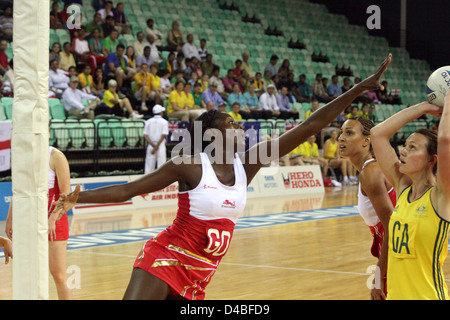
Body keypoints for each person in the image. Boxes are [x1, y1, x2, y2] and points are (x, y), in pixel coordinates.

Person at [53, 54, 392, 300]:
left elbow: (309, 127)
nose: (239, 128)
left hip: (201, 273)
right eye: (231, 124)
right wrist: (74, 198)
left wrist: (359, 89)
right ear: (211, 134)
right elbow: (128, 189)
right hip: (166, 257)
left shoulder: (249, 164)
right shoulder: (188, 165)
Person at [370, 91, 450, 300]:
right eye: (404, 145)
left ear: (431, 160)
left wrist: (448, 100)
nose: (402, 151)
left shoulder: (441, 196)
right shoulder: (403, 188)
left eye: (412, 148)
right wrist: (422, 107)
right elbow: (378, 134)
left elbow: (445, 139)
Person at [338, 116, 397, 298]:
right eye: (341, 132)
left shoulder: (370, 173)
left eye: (349, 133)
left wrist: (378, 276)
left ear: (366, 140)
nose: (341, 137)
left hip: (397, 248)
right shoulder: (370, 169)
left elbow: (392, 228)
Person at [6, 146, 73, 299]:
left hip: (54, 220)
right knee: (30, 273)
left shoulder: (56, 156)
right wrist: (10, 219)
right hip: (30, 218)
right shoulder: (22, 155)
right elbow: (18, 190)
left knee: (59, 274)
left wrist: (53, 218)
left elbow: (66, 195)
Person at [143, 104, 169, 174]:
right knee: (161, 165)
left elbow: (145, 135)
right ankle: (161, 182)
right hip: (160, 145)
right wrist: (156, 146)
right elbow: (163, 135)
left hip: (151, 145)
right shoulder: (164, 122)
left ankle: (146, 182)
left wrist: (153, 146)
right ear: (161, 113)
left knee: (149, 166)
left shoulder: (148, 121)